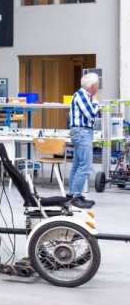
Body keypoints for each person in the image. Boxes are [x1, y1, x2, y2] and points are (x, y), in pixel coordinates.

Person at [67, 72, 100, 208]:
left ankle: (72, 194)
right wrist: (97, 103)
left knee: (77, 165)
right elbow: (91, 114)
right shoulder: (82, 96)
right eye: (97, 84)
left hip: (82, 132)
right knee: (85, 166)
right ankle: (76, 196)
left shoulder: (85, 96)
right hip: (82, 132)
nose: (98, 87)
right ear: (92, 86)